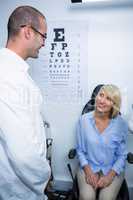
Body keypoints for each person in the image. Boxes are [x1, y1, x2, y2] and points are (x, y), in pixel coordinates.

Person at [0, 5, 50, 200]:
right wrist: (44, 177)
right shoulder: (8, 77)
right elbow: (22, 154)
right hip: (19, 188)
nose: (44, 42)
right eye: (43, 36)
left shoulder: (14, 73)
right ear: (28, 32)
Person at [76, 84, 128, 200]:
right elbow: (80, 150)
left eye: (108, 99)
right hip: (88, 166)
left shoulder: (121, 124)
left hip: (112, 168)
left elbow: (122, 155)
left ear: (114, 105)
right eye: (101, 95)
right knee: (87, 197)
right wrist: (88, 172)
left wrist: (110, 176)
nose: (102, 101)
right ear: (96, 96)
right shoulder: (83, 121)